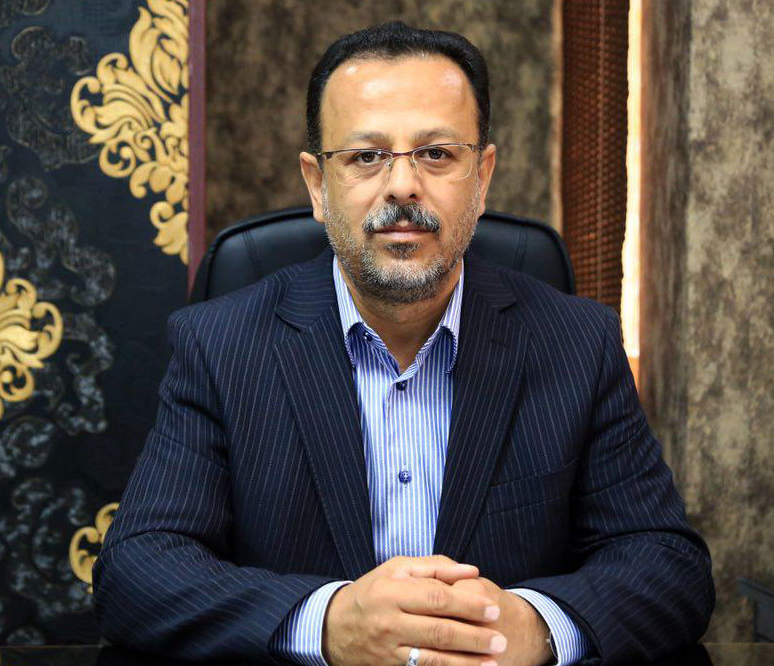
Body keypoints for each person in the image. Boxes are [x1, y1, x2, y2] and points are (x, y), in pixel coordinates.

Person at [93, 21, 714, 666]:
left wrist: (537, 627)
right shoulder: (221, 347)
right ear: (317, 185)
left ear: (482, 176)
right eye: (365, 157)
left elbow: (669, 565)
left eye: (437, 153)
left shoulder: (577, 343)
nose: (402, 186)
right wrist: (327, 623)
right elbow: (136, 572)